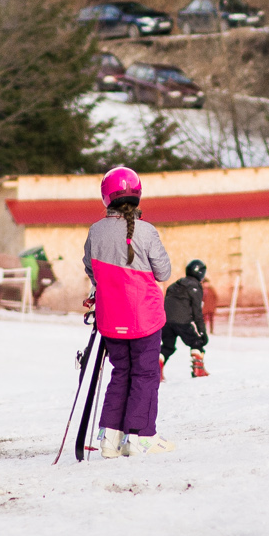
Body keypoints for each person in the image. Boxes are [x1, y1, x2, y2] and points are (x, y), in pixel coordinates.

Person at [83, 166, 175, 457]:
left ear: (106, 197)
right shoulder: (146, 231)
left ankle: (110, 439)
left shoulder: (95, 231)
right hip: (144, 317)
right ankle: (141, 437)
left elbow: (91, 269)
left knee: (121, 371)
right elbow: (163, 272)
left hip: (111, 317)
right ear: (137, 195)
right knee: (145, 374)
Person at [161, 258, 210, 378]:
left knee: (167, 347)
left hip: (165, 321)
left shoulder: (174, 285)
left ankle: (157, 370)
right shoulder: (195, 287)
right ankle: (198, 369)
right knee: (197, 343)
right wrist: (202, 332)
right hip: (182, 322)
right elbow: (197, 312)